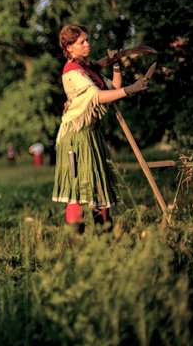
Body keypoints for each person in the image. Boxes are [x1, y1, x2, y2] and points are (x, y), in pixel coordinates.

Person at [52, 24, 149, 234]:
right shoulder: (71, 72)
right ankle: (76, 246)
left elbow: (112, 89)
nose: (87, 44)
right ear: (69, 48)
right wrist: (131, 89)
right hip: (75, 137)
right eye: (81, 42)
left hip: (92, 134)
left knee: (100, 188)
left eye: (87, 39)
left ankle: (105, 242)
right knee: (77, 191)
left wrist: (115, 66)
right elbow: (96, 97)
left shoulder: (88, 69)